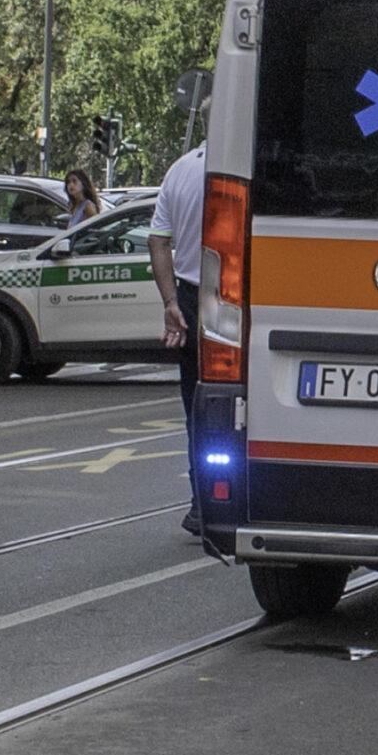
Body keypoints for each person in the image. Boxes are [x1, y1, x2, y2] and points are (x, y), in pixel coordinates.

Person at [144, 142, 208, 535]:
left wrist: (170, 301)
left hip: (189, 294)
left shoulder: (179, 170)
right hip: (240, 294)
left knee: (197, 405)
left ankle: (201, 504)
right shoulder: (247, 164)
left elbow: (158, 240)